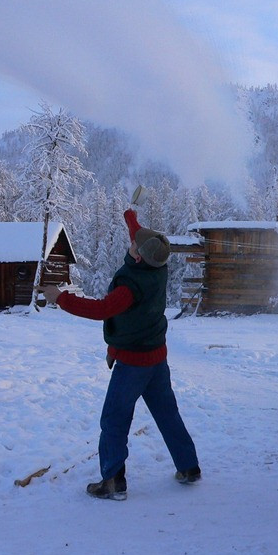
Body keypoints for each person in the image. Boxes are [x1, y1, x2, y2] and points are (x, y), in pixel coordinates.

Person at [36, 208, 200, 501]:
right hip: (156, 359)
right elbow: (138, 234)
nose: (132, 241)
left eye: (135, 244)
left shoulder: (130, 286)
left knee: (114, 419)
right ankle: (189, 467)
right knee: (167, 413)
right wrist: (130, 213)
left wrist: (59, 297)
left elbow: (100, 310)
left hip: (134, 363)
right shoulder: (157, 265)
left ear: (137, 256)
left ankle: (112, 481)